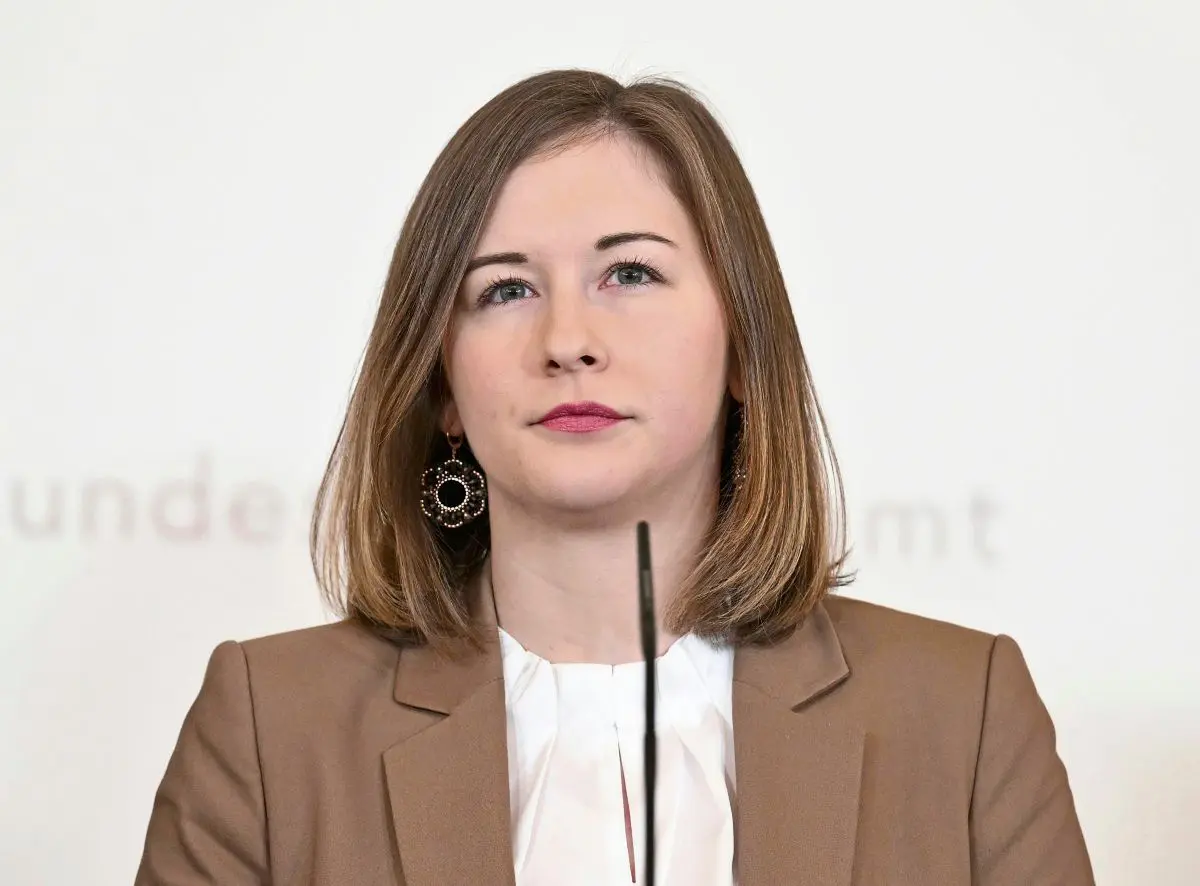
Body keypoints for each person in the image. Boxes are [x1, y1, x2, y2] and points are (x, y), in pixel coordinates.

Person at [134, 68, 1094, 885]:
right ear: (443, 389)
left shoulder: (964, 714)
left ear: (743, 345)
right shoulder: (267, 728)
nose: (568, 341)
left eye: (629, 274)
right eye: (506, 289)